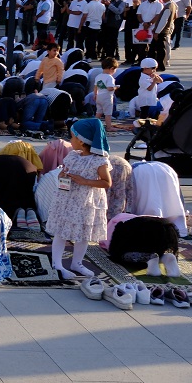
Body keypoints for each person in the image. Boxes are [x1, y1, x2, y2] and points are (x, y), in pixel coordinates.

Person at [47, 118, 111, 280]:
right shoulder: (73, 155)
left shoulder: (99, 161)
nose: (70, 141)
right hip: (67, 200)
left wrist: (85, 182)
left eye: (72, 137)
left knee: (83, 233)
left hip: (87, 202)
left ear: (82, 141)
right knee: (61, 231)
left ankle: (77, 263)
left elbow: (106, 182)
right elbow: (65, 171)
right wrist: (62, 176)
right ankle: (57, 264)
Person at [94, 57, 119, 130]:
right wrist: (116, 87)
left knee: (98, 112)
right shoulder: (110, 77)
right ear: (111, 68)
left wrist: (95, 95)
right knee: (108, 113)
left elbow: (95, 87)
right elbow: (109, 88)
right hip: (107, 97)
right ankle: (109, 127)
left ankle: (94, 125)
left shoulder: (98, 76)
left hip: (99, 96)